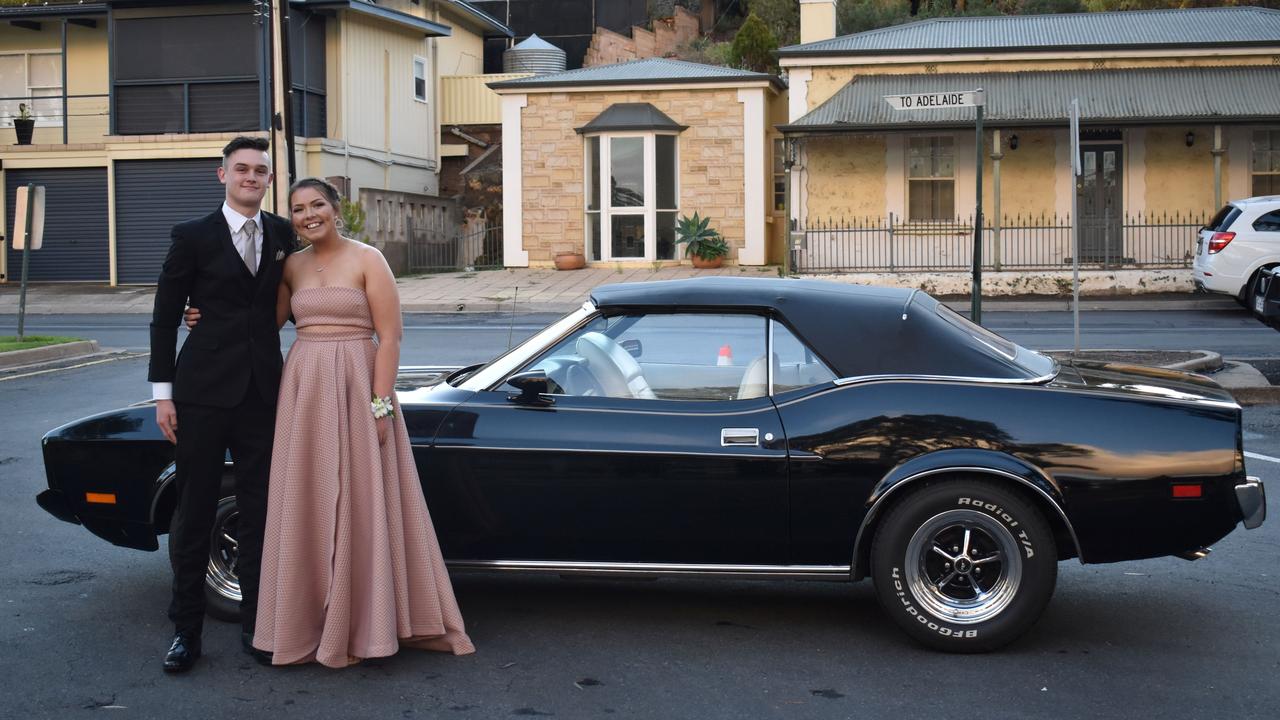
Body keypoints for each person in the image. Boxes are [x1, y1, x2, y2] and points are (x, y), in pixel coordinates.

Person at [250, 177, 474, 667]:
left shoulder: (369, 259)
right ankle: (306, 619)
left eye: (317, 205)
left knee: (364, 496)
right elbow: (262, 323)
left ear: (335, 209)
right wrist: (202, 312)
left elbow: (390, 338)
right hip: (305, 389)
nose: (309, 215)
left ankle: (368, 622)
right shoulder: (291, 266)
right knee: (307, 495)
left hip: (358, 384)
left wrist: (379, 407)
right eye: (298, 209)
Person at [148, 136, 294, 673]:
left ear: (269, 180)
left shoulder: (282, 233)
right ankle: (186, 631)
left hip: (262, 395)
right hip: (201, 395)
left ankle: (258, 626)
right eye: (241, 169)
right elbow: (165, 318)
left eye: (260, 171)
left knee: (258, 511)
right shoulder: (191, 237)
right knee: (192, 512)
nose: (250, 177)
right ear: (223, 175)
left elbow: (295, 296)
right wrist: (163, 395)